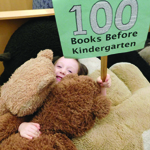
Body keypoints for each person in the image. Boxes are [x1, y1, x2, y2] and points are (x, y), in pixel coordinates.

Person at [18, 56, 111, 139]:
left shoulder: (74, 96)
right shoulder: (39, 89)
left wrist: (102, 86)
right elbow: (19, 112)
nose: (62, 71)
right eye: (59, 66)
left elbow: (95, 107)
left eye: (70, 71)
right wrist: (22, 126)